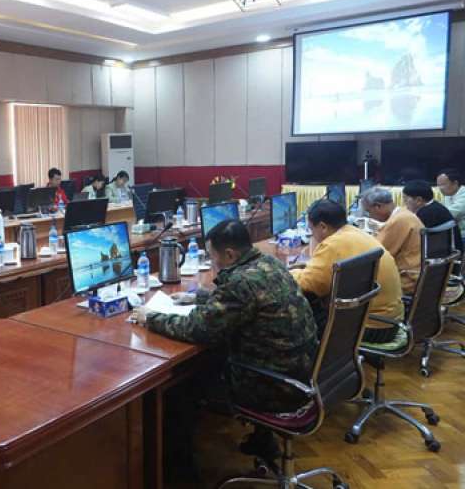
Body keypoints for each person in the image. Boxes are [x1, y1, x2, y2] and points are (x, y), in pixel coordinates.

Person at [132, 220, 317, 464]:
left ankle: (180, 468)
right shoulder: (268, 263)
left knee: (178, 385)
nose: (212, 262)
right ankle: (262, 440)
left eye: (212, 256)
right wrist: (199, 297)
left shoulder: (239, 283)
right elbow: (246, 301)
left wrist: (150, 317)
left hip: (273, 386)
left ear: (229, 254)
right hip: (299, 372)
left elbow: (198, 329)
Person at [291, 200, 404, 344]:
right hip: (389, 322)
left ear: (323, 227)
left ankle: (313, 356)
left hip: (371, 327)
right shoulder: (353, 233)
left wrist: (288, 273)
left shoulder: (333, 244)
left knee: (300, 310)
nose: (311, 234)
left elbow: (311, 285)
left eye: (311, 229)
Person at [360, 187, 423, 294]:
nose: (369, 216)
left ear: (378, 206)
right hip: (417, 273)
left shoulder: (399, 220)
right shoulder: (403, 213)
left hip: (407, 279)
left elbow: (377, 253)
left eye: (368, 211)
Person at [403, 179, 463, 255]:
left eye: (405, 199)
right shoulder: (435, 206)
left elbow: (413, 240)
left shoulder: (425, 214)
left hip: (436, 257)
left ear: (419, 200)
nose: (404, 202)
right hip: (452, 255)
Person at [437, 168, 465, 235]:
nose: (440, 188)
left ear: (455, 183)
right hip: (454, 233)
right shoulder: (448, 194)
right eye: (438, 185)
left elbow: (448, 215)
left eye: (443, 185)